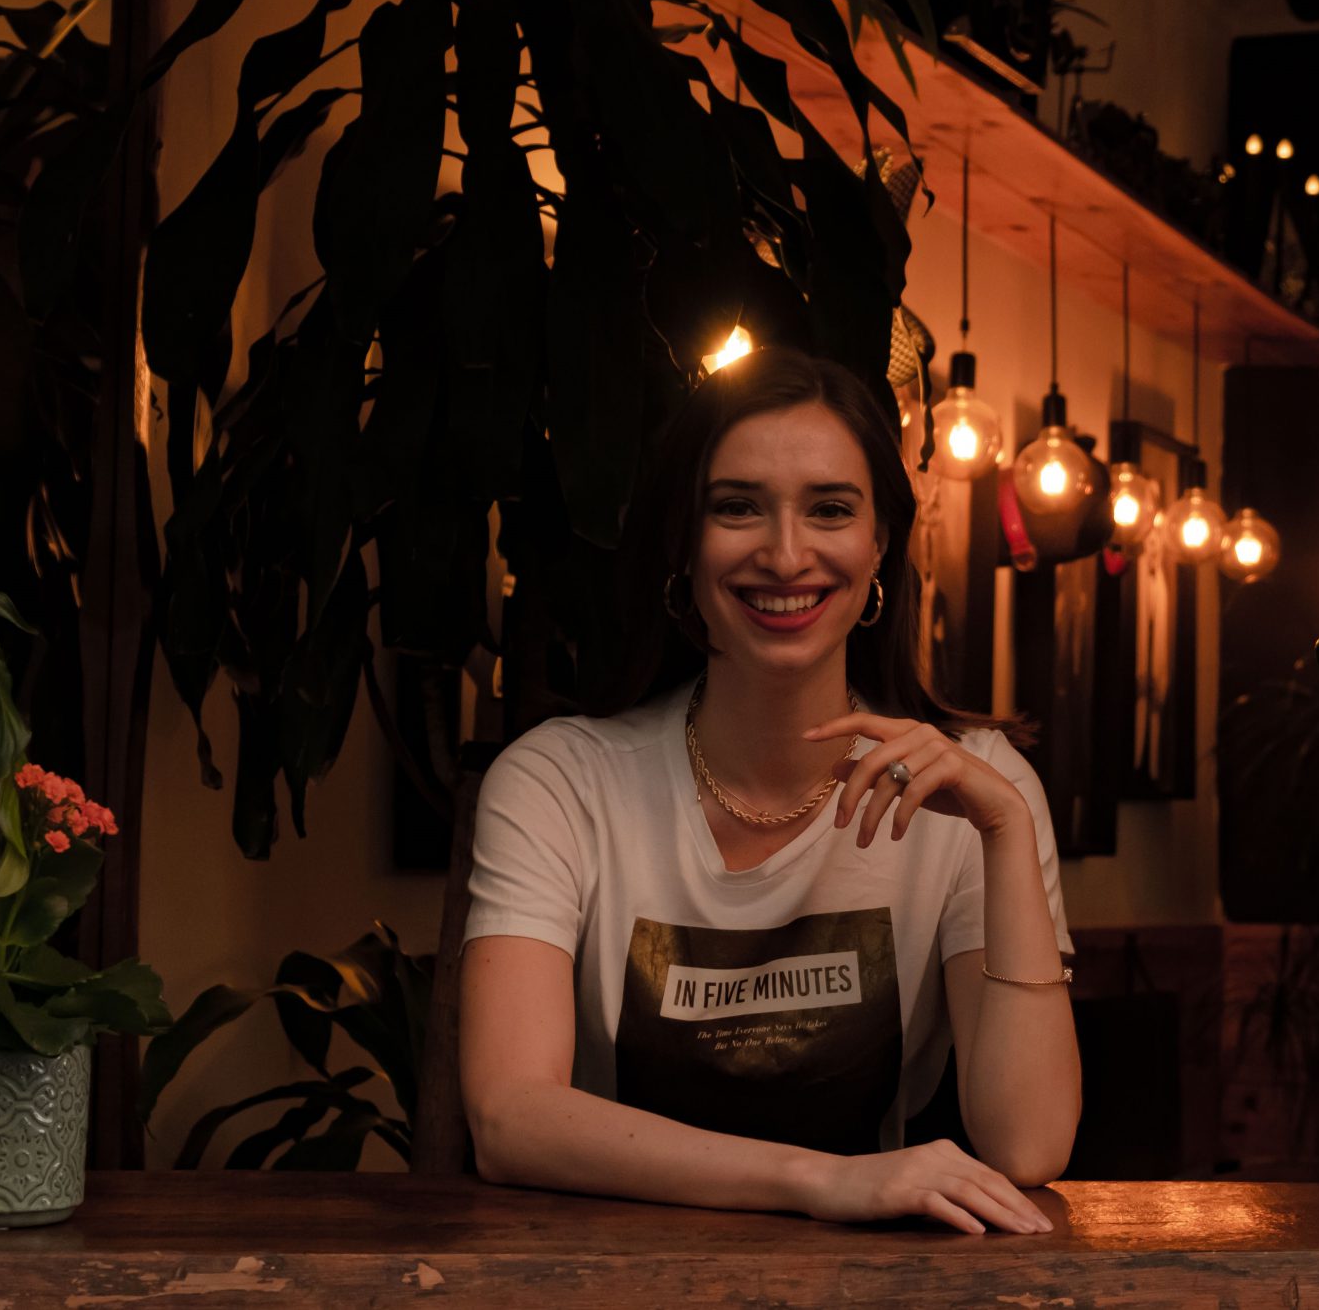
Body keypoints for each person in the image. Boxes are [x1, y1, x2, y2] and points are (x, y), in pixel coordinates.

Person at [458, 347, 1079, 1236]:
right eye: (737, 507)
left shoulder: (975, 790)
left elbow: (1028, 1144)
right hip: (602, 1286)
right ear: (684, 541)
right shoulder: (560, 782)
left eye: (830, 509)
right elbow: (509, 1118)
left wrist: (1009, 829)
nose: (786, 555)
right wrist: (823, 1182)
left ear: (879, 546)